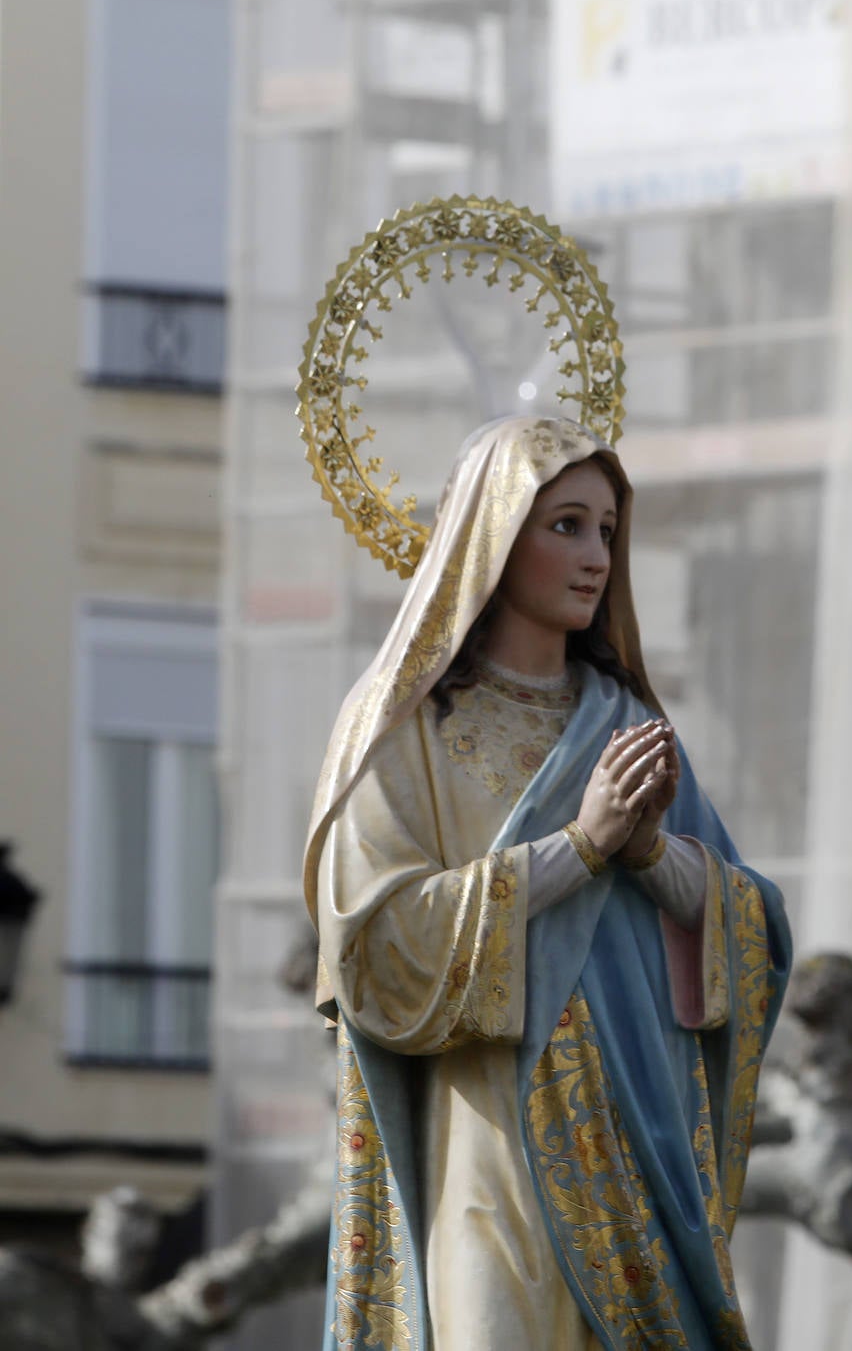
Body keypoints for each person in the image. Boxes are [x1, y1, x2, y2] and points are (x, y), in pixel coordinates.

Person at [305, 414, 792, 1351]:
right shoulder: (404, 728)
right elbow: (374, 944)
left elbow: (748, 931)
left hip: (636, 1125)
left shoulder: (623, 719)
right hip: (487, 1135)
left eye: (607, 530)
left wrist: (647, 853)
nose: (596, 556)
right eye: (564, 524)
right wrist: (579, 846)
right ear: (493, 531)